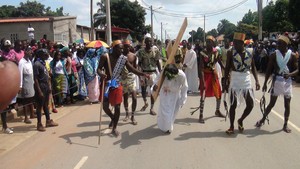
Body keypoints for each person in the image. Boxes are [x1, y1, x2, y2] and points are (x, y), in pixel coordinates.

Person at [97, 40, 149, 137]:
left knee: (117, 107)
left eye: (122, 48)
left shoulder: (123, 59)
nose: (122, 50)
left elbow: (132, 69)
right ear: (113, 48)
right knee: (105, 106)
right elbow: (98, 69)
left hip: (117, 83)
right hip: (107, 84)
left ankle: (115, 127)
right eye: (119, 48)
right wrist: (101, 74)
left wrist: (142, 74)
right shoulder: (105, 57)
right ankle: (113, 118)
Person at [255, 35, 298, 133]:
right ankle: (262, 119)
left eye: (279, 43)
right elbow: (269, 70)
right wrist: (265, 83)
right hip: (277, 80)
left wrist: (290, 74)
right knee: (271, 103)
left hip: (287, 82)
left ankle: (285, 124)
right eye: (277, 43)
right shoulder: (274, 55)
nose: (277, 45)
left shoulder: (292, 55)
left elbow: (297, 70)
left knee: (287, 104)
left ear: (285, 44)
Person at [223, 32, 260, 134]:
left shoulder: (250, 52)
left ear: (241, 43)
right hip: (235, 79)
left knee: (250, 104)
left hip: (246, 80)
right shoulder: (231, 52)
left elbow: (253, 67)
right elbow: (227, 68)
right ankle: (231, 126)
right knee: (233, 104)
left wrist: (257, 81)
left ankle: (241, 120)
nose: (234, 44)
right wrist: (225, 81)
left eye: (236, 43)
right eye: (233, 43)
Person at [153, 64, 188, 134]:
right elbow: (157, 80)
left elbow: (185, 87)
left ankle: (169, 126)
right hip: (165, 94)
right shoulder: (164, 72)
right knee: (165, 113)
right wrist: (154, 86)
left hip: (176, 95)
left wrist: (182, 100)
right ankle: (166, 127)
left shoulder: (182, 75)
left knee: (174, 112)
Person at [198, 35, 225, 123]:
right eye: (207, 41)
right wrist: (202, 81)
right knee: (203, 95)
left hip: (213, 75)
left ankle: (217, 110)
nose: (208, 43)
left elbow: (219, 62)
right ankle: (201, 115)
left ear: (213, 43)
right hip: (205, 75)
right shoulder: (202, 53)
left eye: (210, 42)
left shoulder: (216, 52)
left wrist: (225, 70)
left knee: (219, 93)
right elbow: (201, 68)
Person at [33, 49, 58, 131]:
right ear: (40, 55)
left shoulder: (43, 63)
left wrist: (49, 87)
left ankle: (48, 120)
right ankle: (39, 124)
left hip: (46, 86)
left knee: (46, 104)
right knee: (39, 106)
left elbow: (46, 75)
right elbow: (35, 79)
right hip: (40, 86)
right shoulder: (36, 64)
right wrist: (39, 91)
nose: (47, 55)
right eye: (45, 54)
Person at [136, 37, 161, 115]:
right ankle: (145, 102)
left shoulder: (156, 51)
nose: (150, 43)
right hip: (144, 73)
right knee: (143, 90)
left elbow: (157, 62)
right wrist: (140, 74)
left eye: (151, 42)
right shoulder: (141, 52)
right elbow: (139, 63)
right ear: (145, 43)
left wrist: (160, 73)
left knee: (153, 90)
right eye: (148, 42)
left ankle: (152, 108)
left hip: (152, 73)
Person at [120, 40, 138, 125]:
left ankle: (133, 116)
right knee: (125, 97)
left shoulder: (133, 56)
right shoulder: (120, 56)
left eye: (128, 46)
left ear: (130, 46)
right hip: (123, 79)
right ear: (123, 47)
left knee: (134, 97)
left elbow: (135, 68)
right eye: (125, 46)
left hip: (131, 78)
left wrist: (140, 77)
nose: (127, 48)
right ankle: (127, 113)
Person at [17, 46, 35, 124]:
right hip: (25, 82)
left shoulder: (29, 61)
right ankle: (26, 117)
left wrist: (33, 81)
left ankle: (32, 114)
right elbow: (20, 74)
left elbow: (32, 73)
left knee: (31, 99)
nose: (31, 52)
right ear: (25, 52)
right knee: (25, 100)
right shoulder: (21, 62)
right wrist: (20, 86)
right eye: (29, 51)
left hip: (30, 82)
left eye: (31, 51)